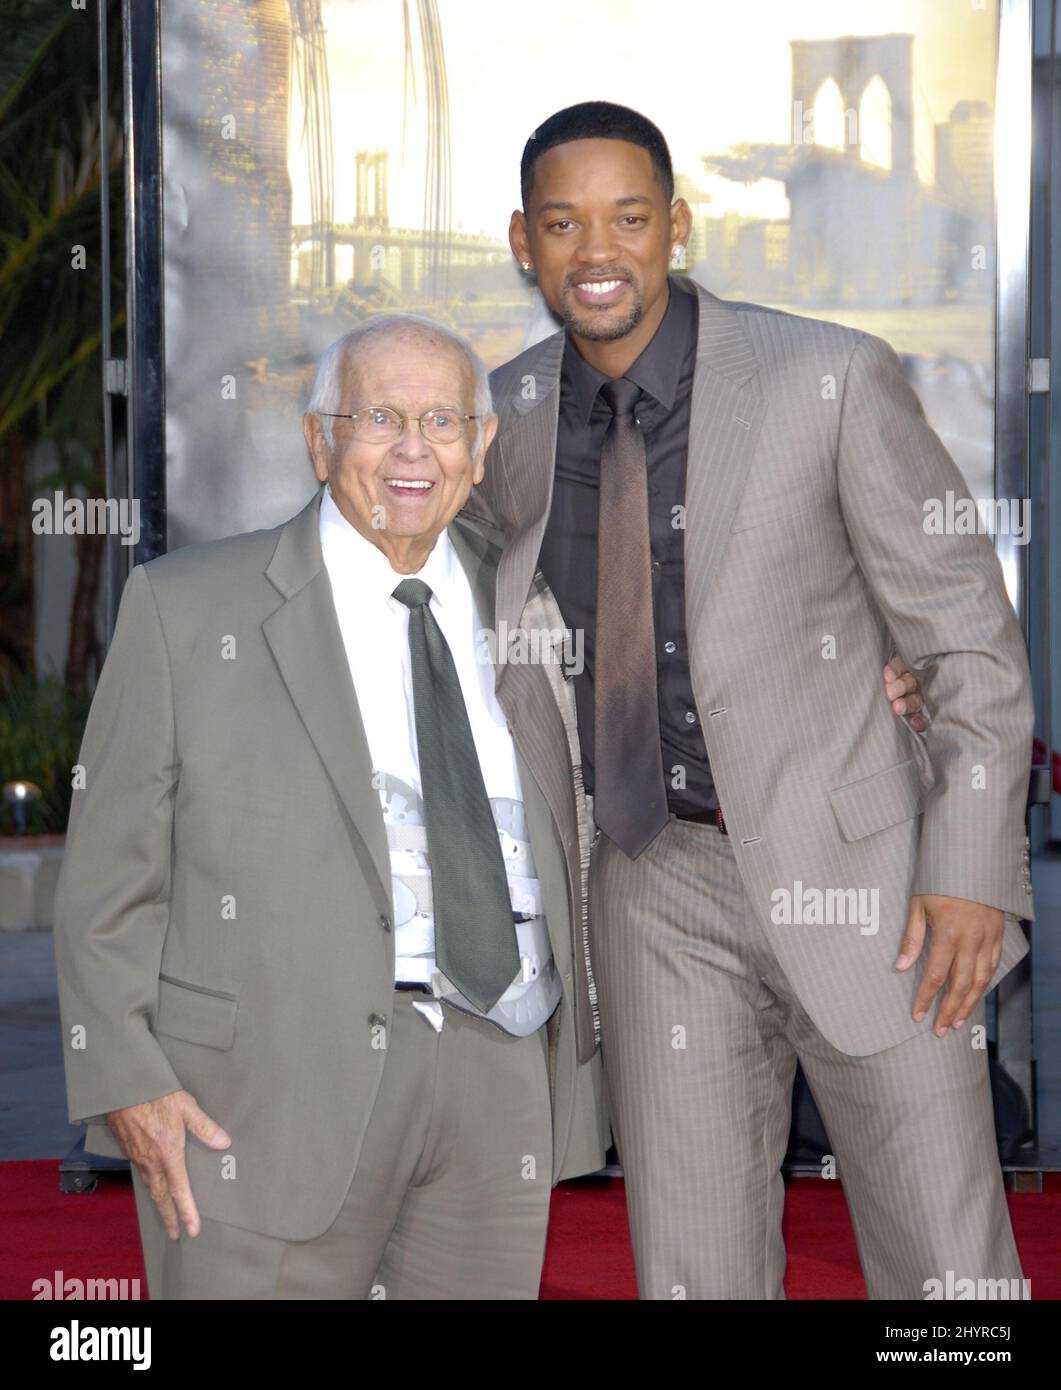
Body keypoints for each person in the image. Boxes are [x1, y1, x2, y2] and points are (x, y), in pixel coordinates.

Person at [470, 101, 1035, 1299]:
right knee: (692, 1270)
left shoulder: (823, 377)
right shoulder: (503, 418)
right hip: (650, 883)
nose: (598, 250)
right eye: (563, 223)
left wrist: (970, 868)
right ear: (523, 242)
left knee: (946, 1272)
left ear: (674, 225)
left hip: (880, 890)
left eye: (627, 216)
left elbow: (968, 646)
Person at [53, 314, 607, 1300]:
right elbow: (106, 880)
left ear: (480, 449)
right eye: (377, 417)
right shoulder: (186, 610)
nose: (411, 448)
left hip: (497, 1078)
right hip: (255, 1097)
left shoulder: (537, 606)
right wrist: (125, 1079)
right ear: (319, 440)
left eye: (442, 420)